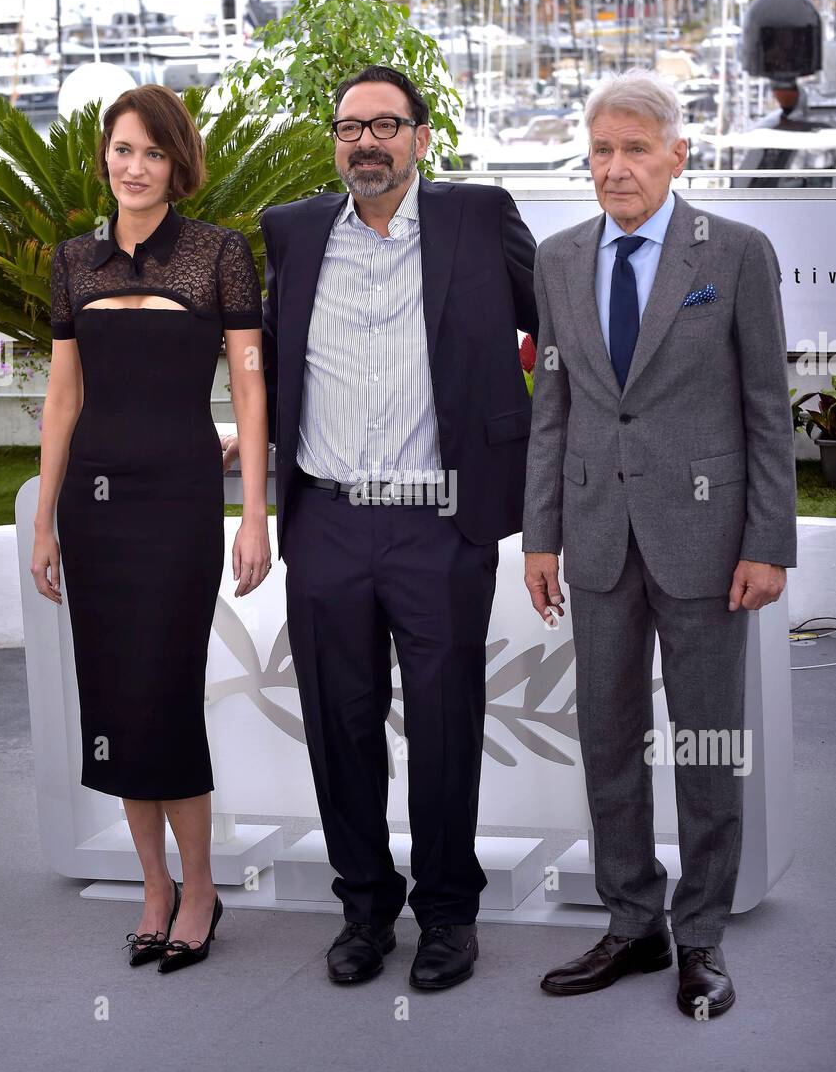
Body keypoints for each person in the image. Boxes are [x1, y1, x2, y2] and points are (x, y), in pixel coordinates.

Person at [222, 64, 538, 989]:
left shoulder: (478, 219)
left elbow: (558, 329)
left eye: (386, 125)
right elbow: (267, 364)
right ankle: (363, 907)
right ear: (335, 140)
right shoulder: (291, 233)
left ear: (420, 137)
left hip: (440, 524)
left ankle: (447, 914)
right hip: (325, 522)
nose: (367, 141)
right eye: (350, 126)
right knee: (338, 723)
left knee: (444, 725)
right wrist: (237, 440)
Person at [523, 68, 797, 1018]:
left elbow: (769, 409)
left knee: (707, 743)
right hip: (595, 538)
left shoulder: (735, 251)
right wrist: (539, 535)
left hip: (707, 541)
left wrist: (768, 541)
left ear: (678, 156)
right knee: (605, 737)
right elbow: (551, 410)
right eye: (601, 150)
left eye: (635, 148)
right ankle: (631, 924)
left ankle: (704, 938)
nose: (615, 167)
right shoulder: (558, 260)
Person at [33, 85, 270, 972]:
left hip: (178, 503)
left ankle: (200, 889)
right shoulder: (72, 260)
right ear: (105, 157)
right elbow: (63, 397)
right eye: (121, 150)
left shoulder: (218, 254)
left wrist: (253, 513)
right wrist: (50, 520)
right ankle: (153, 889)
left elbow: (248, 385)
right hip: (94, 504)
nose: (134, 167)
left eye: (153, 153)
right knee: (116, 696)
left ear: (178, 164)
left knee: (165, 690)